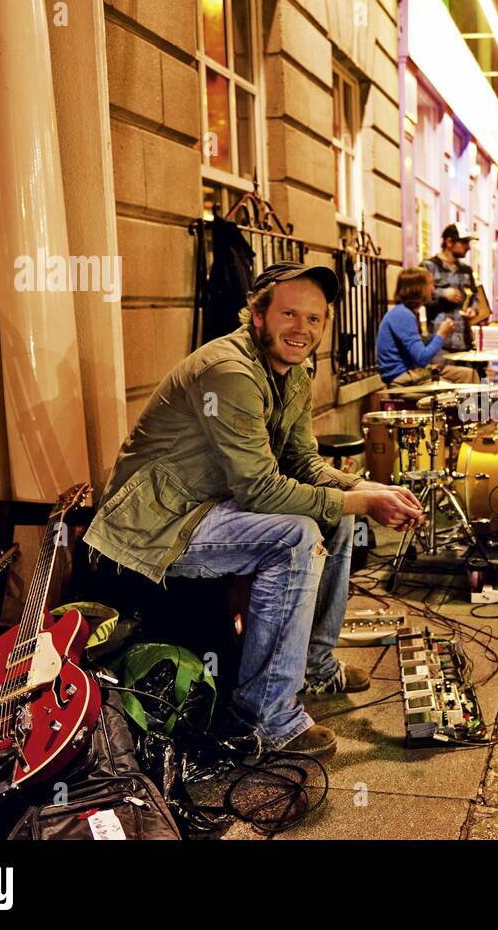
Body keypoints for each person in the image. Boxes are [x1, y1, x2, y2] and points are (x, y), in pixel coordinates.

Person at [84, 262, 427, 759]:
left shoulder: (293, 372)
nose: (302, 329)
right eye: (289, 314)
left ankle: (315, 667)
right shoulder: (228, 371)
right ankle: (266, 717)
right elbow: (260, 490)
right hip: (157, 526)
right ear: (258, 315)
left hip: (212, 507)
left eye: (314, 319)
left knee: (338, 514)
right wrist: (358, 498)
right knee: (295, 535)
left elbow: (303, 464)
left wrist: (363, 487)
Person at [376, 267, 480, 386]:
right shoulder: (402, 314)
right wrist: (441, 334)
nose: (433, 289)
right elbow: (421, 359)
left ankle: (476, 404)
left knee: (469, 375)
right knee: (454, 390)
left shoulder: (410, 312)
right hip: (403, 378)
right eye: (430, 284)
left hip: (415, 372)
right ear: (418, 288)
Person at [423, 224, 482, 354]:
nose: (468, 247)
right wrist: (443, 293)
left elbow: (475, 296)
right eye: (464, 242)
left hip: (464, 340)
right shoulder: (428, 266)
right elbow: (419, 296)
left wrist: (473, 309)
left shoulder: (466, 270)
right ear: (449, 242)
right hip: (440, 343)